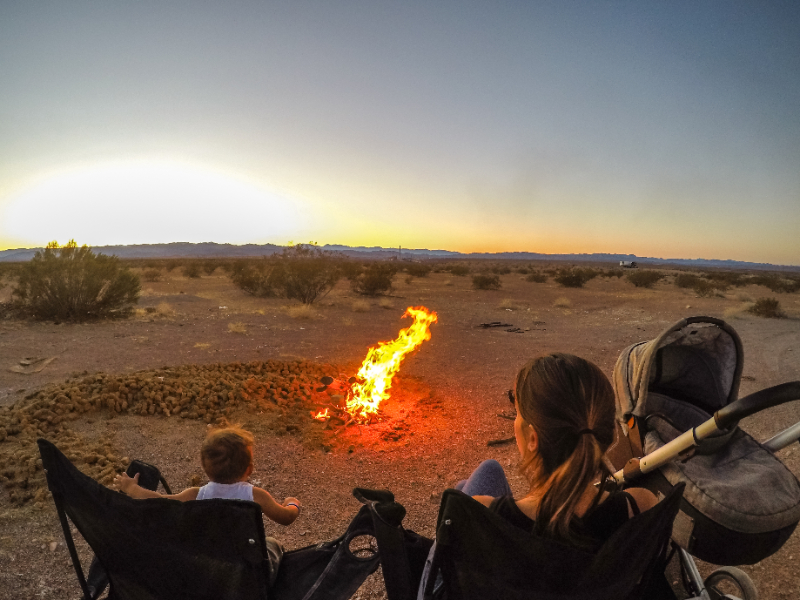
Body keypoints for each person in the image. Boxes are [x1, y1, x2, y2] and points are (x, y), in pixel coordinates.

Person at [420, 353, 658, 597]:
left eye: (517, 410)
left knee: (477, 482)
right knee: (464, 488)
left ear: (533, 438)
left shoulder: (482, 514)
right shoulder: (641, 505)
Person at [114, 425, 300, 585]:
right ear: (249, 469)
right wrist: (292, 503)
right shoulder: (255, 495)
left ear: (203, 465)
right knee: (272, 544)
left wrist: (132, 489)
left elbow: (158, 502)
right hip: (247, 573)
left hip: (207, 568)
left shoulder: (195, 494)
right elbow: (286, 517)